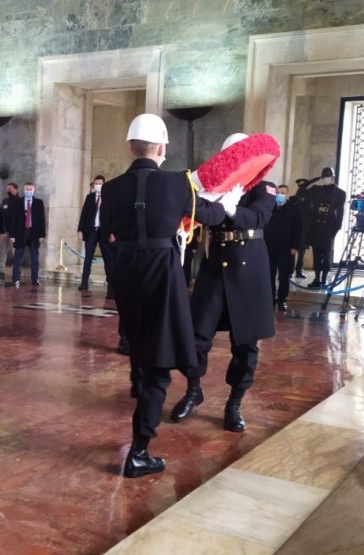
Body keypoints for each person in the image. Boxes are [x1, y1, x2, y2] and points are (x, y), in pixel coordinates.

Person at [101, 114, 234, 478]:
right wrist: (227, 200)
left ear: (131, 146)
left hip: (126, 272)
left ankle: (136, 382)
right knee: (159, 366)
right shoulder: (177, 184)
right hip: (162, 272)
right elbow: (210, 214)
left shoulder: (110, 189)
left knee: (139, 341)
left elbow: (110, 229)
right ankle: (139, 450)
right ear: (161, 148)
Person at [170, 132, 275, 435]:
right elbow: (198, 211)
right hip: (215, 265)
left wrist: (232, 210)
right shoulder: (217, 185)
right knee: (196, 334)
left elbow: (259, 217)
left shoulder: (264, 187)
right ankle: (193, 390)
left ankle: (234, 403)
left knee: (245, 344)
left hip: (248, 268)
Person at [305, 167, 346, 288]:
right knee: (316, 253)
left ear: (332, 178)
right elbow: (301, 192)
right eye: (323, 177)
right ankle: (317, 278)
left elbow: (340, 214)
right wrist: (313, 180)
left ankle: (324, 279)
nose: (325, 179)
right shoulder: (317, 190)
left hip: (329, 228)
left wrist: (335, 229)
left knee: (326, 254)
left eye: (327, 177)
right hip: (316, 227)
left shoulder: (340, 193)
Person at [265, 185, 302, 311]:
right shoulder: (270, 207)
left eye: (283, 193)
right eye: (278, 192)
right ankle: (270, 299)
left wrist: (295, 246)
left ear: (287, 194)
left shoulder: (294, 208)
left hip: (286, 248)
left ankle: (282, 300)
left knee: (284, 275)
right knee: (270, 274)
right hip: (270, 246)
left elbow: (298, 229)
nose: (280, 195)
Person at [77, 175, 114, 296]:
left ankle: (110, 287)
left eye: (100, 183)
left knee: (108, 259)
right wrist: (80, 230)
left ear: (104, 184)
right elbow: (84, 214)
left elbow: (114, 216)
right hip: (91, 230)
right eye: (96, 183)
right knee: (88, 258)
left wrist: (113, 232)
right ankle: (84, 283)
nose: (98, 186)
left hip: (105, 232)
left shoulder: (109, 198)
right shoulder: (89, 197)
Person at [10, 182, 46, 287]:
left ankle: (35, 279)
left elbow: (41, 219)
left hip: (34, 233)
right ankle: (16, 279)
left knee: (35, 257)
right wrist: (12, 234)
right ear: (23, 189)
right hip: (21, 232)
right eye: (27, 189)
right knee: (18, 257)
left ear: (33, 190)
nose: (28, 191)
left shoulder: (39, 203)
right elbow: (13, 219)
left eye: (30, 189)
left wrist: (42, 234)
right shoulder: (17, 202)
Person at [0, 182, 19, 282]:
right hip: (5, 231)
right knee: (2, 252)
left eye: (10, 188)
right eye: (7, 189)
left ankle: (16, 271)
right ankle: (1, 271)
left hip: (15, 232)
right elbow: (1, 216)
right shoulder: (5, 201)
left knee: (16, 252)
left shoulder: (20, 201)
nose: (8, 190)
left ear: (16, 189)